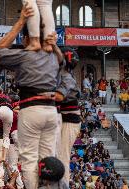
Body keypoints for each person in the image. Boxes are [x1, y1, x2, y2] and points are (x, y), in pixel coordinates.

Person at [0, 23, 63, 189]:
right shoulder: (53, 57)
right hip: (52, 111)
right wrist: (54, 45)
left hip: (32, 108)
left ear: (25, 39)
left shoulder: (24, 54)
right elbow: (62, 61)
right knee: (49, 157)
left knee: (29, 159)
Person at [56, 47, 81, 187]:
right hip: (63, 118)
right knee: (57, 154)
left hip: (70, 120)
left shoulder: (66, 76)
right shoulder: (61, 73)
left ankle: (63, 185)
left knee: (63, 156)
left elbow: (59, 97)